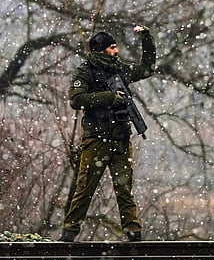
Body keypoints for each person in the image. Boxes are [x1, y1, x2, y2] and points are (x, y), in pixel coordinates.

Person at [59, 25, 156, 242]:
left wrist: (146, 39)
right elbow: (77, 99)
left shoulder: (119, 70)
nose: (116, 51)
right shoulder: (84, 72)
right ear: (101, 50)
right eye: (112, 47)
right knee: (85, 189)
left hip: (120, 139)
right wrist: (109, 97)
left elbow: (147, 68)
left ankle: (134, 235)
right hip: (96, 141)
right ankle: (68, 235)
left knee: (125, 191)